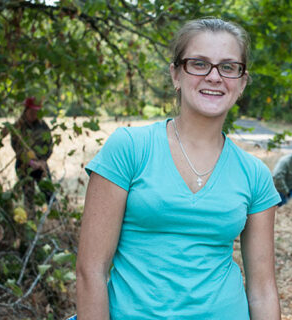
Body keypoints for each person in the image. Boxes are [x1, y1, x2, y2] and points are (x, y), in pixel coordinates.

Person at [75, 18, 281, 320]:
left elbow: (262, 291)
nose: (214, 77)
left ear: (242, 82)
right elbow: (90, 271)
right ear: (176, 74)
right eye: (199, 64)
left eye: (228, 67)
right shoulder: (130, 148)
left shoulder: (255, 175)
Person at [4, 97, 54, 207]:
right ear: (26, 110)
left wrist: (42, 162)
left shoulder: (43, 126)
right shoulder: (18, 127)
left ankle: (57, 218)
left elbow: (49, 145)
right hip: (24, 166)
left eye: (37, 112)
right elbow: (17, 147)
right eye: (32, 111)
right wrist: (30, 162)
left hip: (41, 166)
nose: (34, 114)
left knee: (49, 194)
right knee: (28, 197)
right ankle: (31, 219)